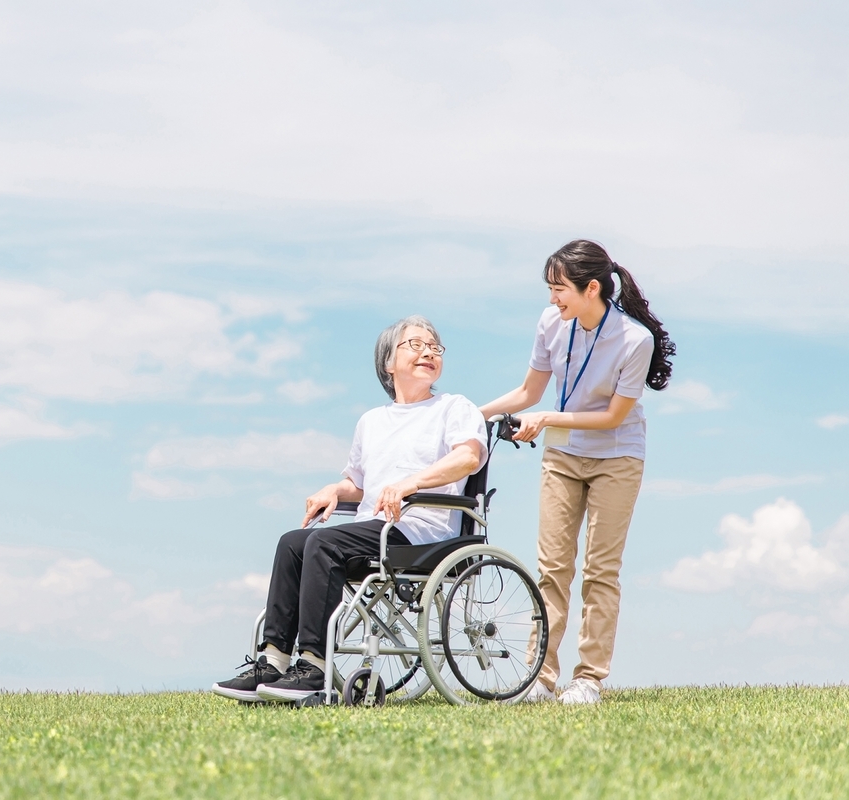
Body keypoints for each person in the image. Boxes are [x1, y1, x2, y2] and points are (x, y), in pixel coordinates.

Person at [212, 315, 489, 703]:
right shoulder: (372, 421)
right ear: (388, 363)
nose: (428, 351)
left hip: (423, 531)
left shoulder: (454, 408)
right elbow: (360, 485)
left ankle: (313, 665)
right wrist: (334, 490)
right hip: (374, 527)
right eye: (415, 344)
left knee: (323, 544)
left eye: (434, 346)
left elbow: (467, 458)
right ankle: (272, 660)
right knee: (293, 542)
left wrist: (412, 483)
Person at [480, 240, 675, 705]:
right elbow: (530, 391)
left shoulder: (634, 340)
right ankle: (541, 677)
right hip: (563, 455)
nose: (552, 299)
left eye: (559, 288)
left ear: (591, 289)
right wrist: (469, 413)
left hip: (617, 456)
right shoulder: (552, 323)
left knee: (600, 570)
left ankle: (588, 679)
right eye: (549, 289)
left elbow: (611, 417)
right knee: (552, 569)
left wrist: (546, 419)